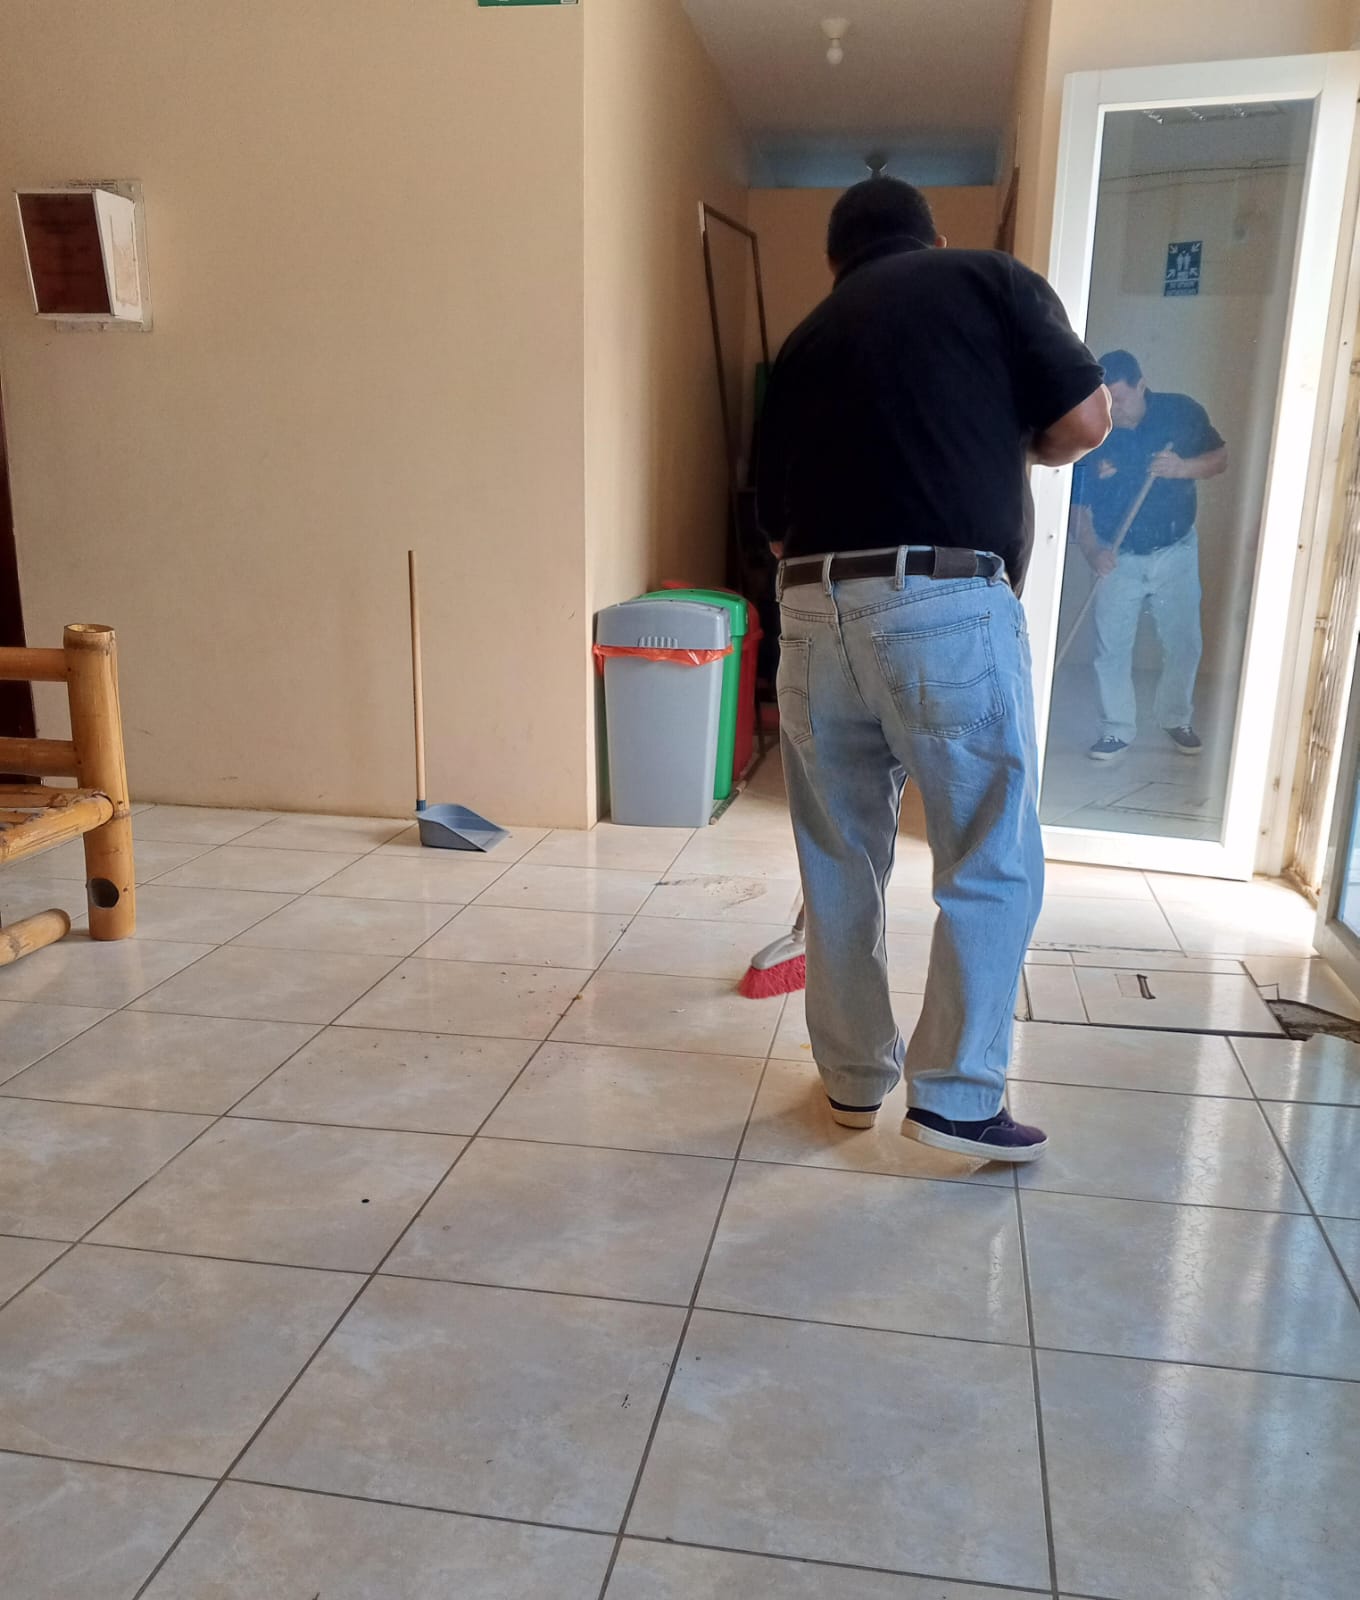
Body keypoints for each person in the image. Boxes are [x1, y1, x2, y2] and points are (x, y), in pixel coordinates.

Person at [756, 177, 1109, 1163]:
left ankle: (850, 1081)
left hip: (811, 608)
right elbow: (1084, 422)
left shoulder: (806, 339)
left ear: (836, 261)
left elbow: (775, 524)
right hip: (942, 600)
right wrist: (1006, 442)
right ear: (932, 235)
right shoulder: (988, 280)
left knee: (838, 857)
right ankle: (955, 1098)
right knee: (987, 850)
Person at [1070, 350, 1227, 761]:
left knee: (1183, 642)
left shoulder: (1181, 413)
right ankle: (1116, 729)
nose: (1114, 411)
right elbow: (1078, 507)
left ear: (1141, 385)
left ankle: (1176, 719)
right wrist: (1092, 551)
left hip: (1175, 550)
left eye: (1121, 399)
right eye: (1107, 401)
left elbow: (1219, 460)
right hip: (1116, 554)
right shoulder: (1092, 429)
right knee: (1111, 647)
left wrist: (1181, 468)